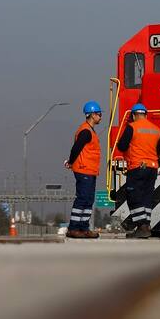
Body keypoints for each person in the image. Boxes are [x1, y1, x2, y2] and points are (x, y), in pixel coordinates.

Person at [117, 103, 160, 239]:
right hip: (152, 168)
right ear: (146, 114)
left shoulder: (132, 127)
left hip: (137, 167)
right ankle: (146, 225)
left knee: (134, 196)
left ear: (133, 115)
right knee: (147, 196)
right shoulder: (156, 129)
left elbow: (122, 146)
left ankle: (141, 226)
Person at [64, 100, 102, 239]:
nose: (100, 117)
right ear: (91, 115)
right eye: (98, 114)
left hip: (90, 171)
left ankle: (83, 228)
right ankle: (74, 228)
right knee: (82, 198)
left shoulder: (90, 131)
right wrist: (71, 161)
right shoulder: (85, 131)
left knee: (88, 200)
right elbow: (76, 148)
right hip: (83, 169)